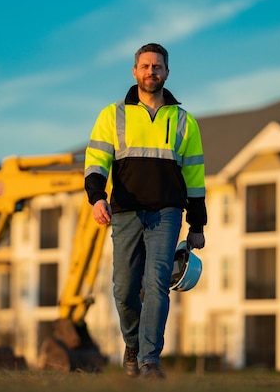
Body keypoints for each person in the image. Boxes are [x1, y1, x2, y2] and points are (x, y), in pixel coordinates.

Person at [84, 43, 207, 380]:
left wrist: (197, 223)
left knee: (156, 283)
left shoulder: (184, 121)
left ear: (167, 73)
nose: (151, 72)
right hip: (124, 213)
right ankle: (133, 345)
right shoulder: (113, 114)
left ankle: (150, 361)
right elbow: (96, 162)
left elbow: (194, 175)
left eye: (157, 67)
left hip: (167, 213)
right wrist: (97, 198)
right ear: (135, 71)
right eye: (145, 66)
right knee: (123, 289)